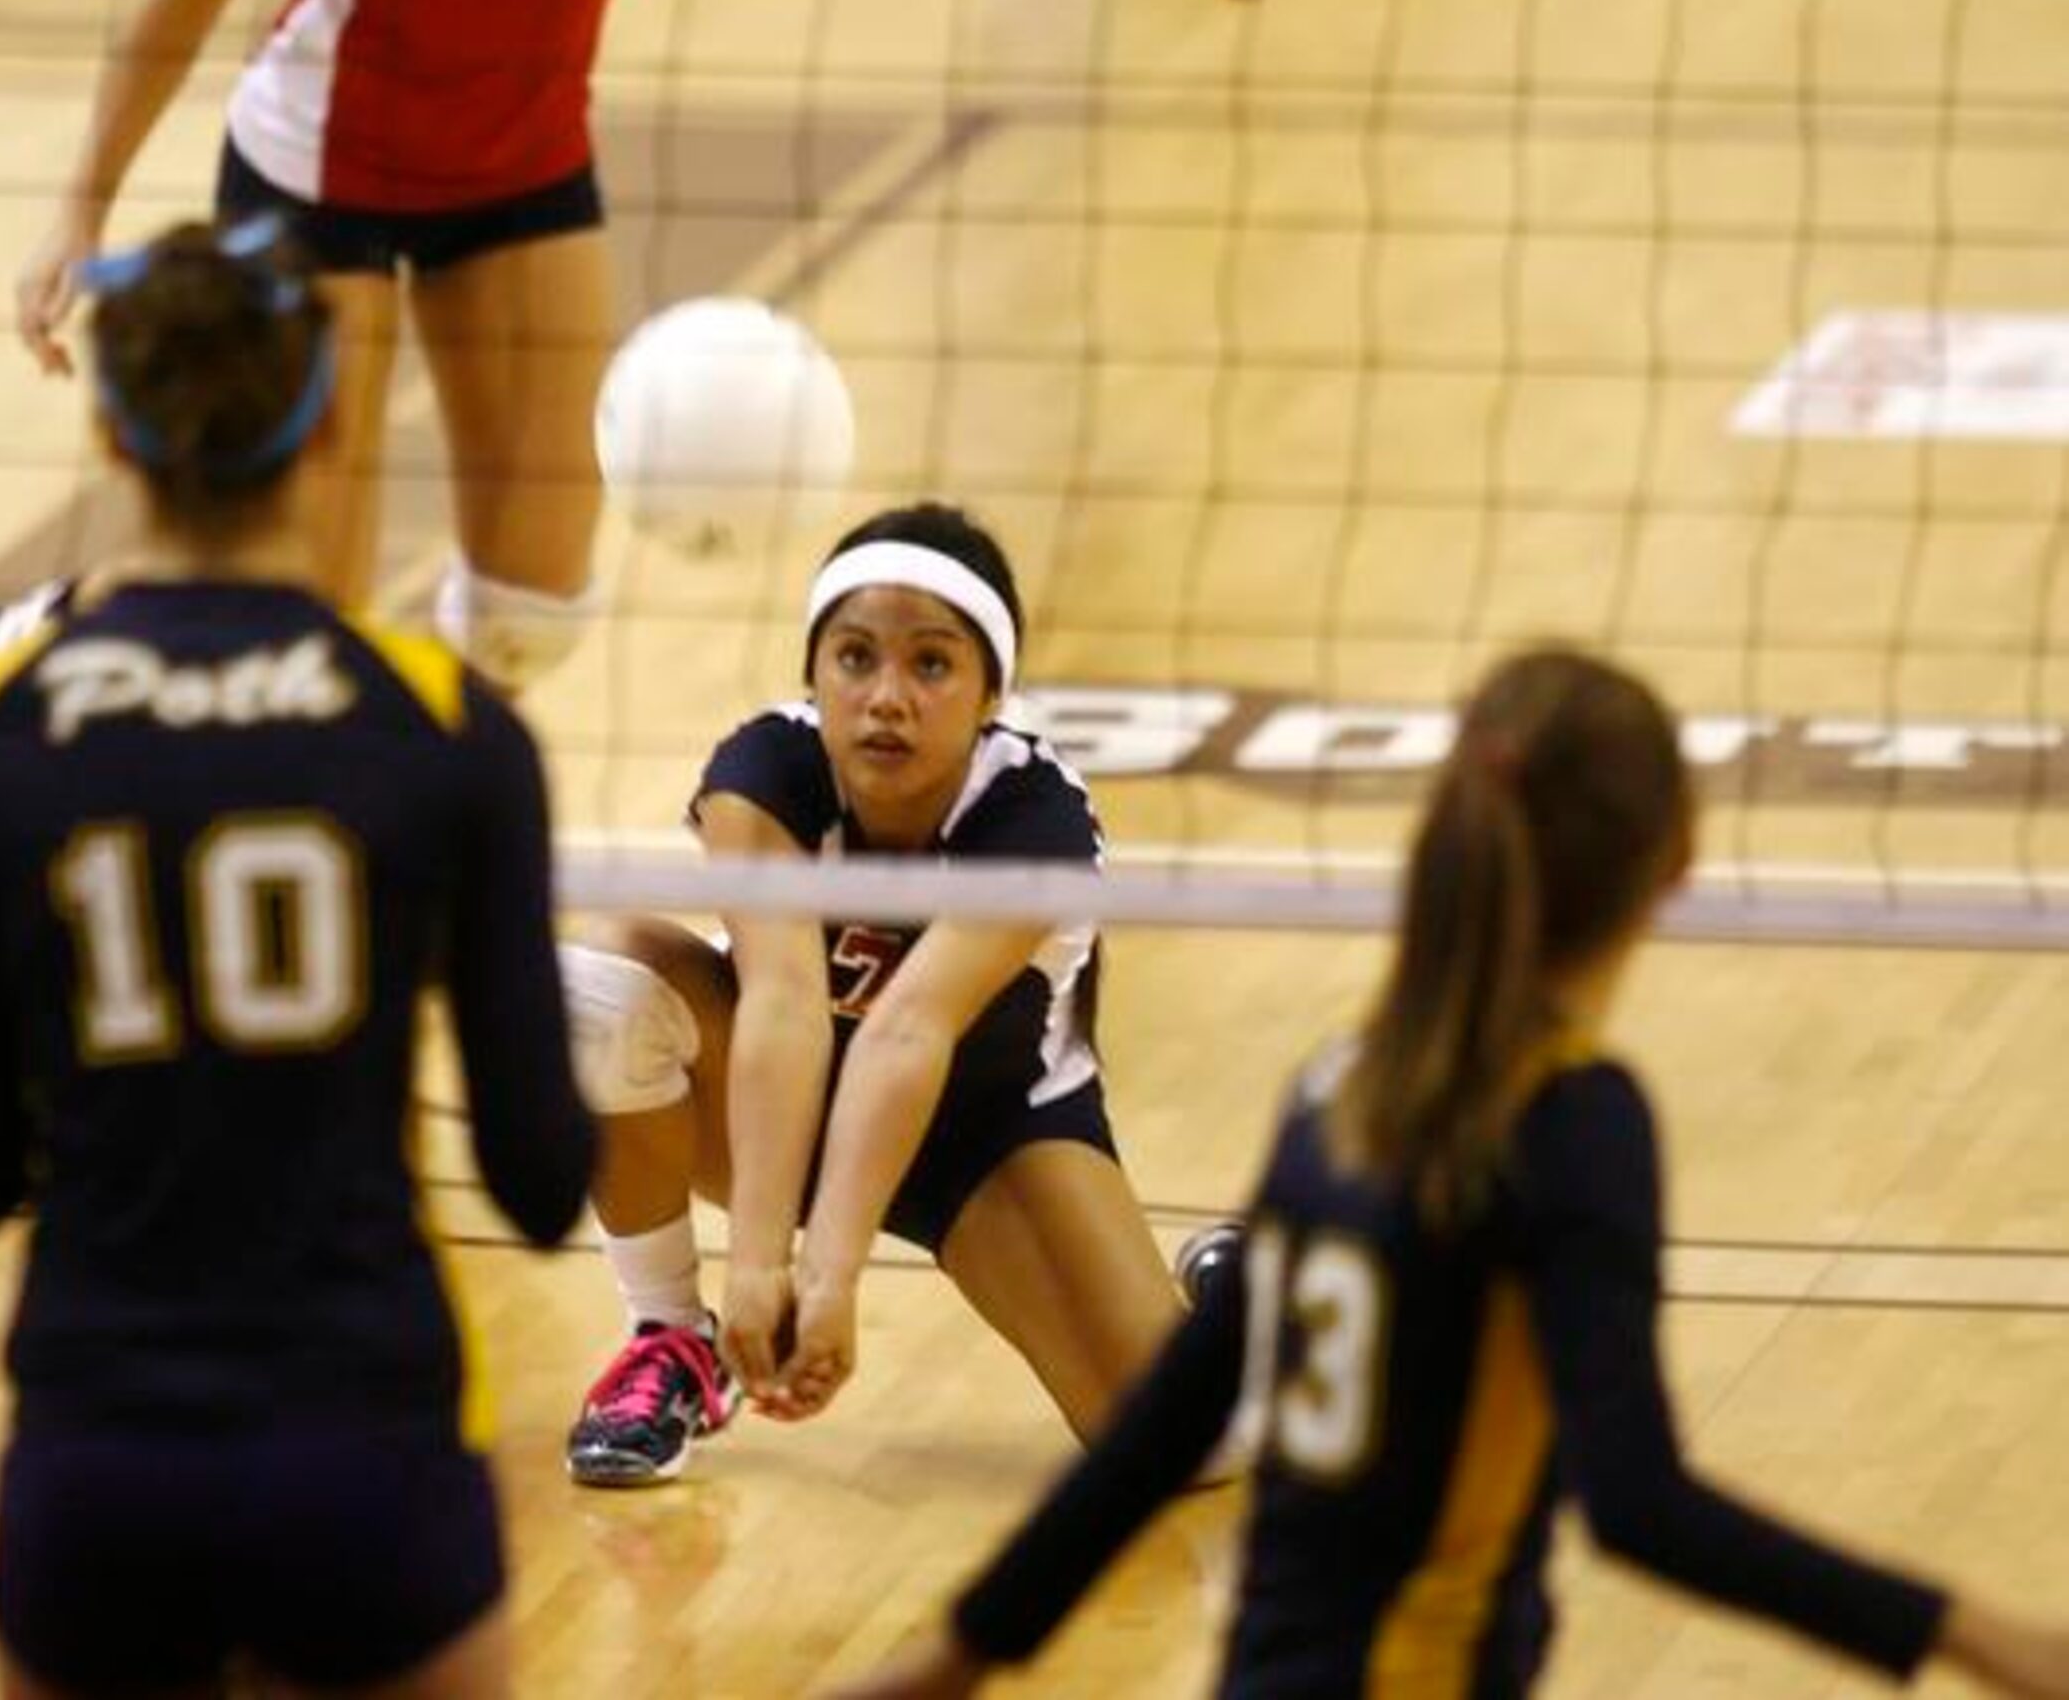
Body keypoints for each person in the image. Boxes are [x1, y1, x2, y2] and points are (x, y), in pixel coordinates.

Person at [826, 646, 2069, 1700]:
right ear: (1673, 866)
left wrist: (962, 1649)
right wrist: (1970, 1631)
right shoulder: (1572, 1122)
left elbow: (1167, 1419)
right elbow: (1634, 1501)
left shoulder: (1340, 1082)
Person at [12, 0, 1254, 690]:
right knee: (301, 625)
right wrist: (80, 207)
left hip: (516, 170)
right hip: (314, 181)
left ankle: (410, 809)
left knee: (531, 615)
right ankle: (61, 678)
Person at [0, 217, 596, 1700]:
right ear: (333, 416)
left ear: (108, 428)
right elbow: (540, 1184)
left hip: (97, 1455)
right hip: (364, 1447)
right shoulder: (445, 729)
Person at [561, 501, 1195, 1487]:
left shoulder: (1034, 821)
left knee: (1173, 1447)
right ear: (813, 675)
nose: (886, 697)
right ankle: (667, 1338)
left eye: (931, 665)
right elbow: (779, 1005)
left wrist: (830, 1279)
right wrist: (758, 1266)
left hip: (984, 1143)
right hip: (784, 1106)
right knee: (602, 984)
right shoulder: (761, 776)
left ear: (991, 694)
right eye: (854, 658)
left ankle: (1239, 1309)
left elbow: (907, 1031)